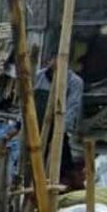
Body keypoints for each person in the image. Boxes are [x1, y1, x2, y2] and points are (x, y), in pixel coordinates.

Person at [35, 59, 83, 187]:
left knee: (61, 163)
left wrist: (59, 132)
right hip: (36, 127)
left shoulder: (74, 82)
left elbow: (72, 108)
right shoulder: (39, 76)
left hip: (57, 128)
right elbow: (28, 101)